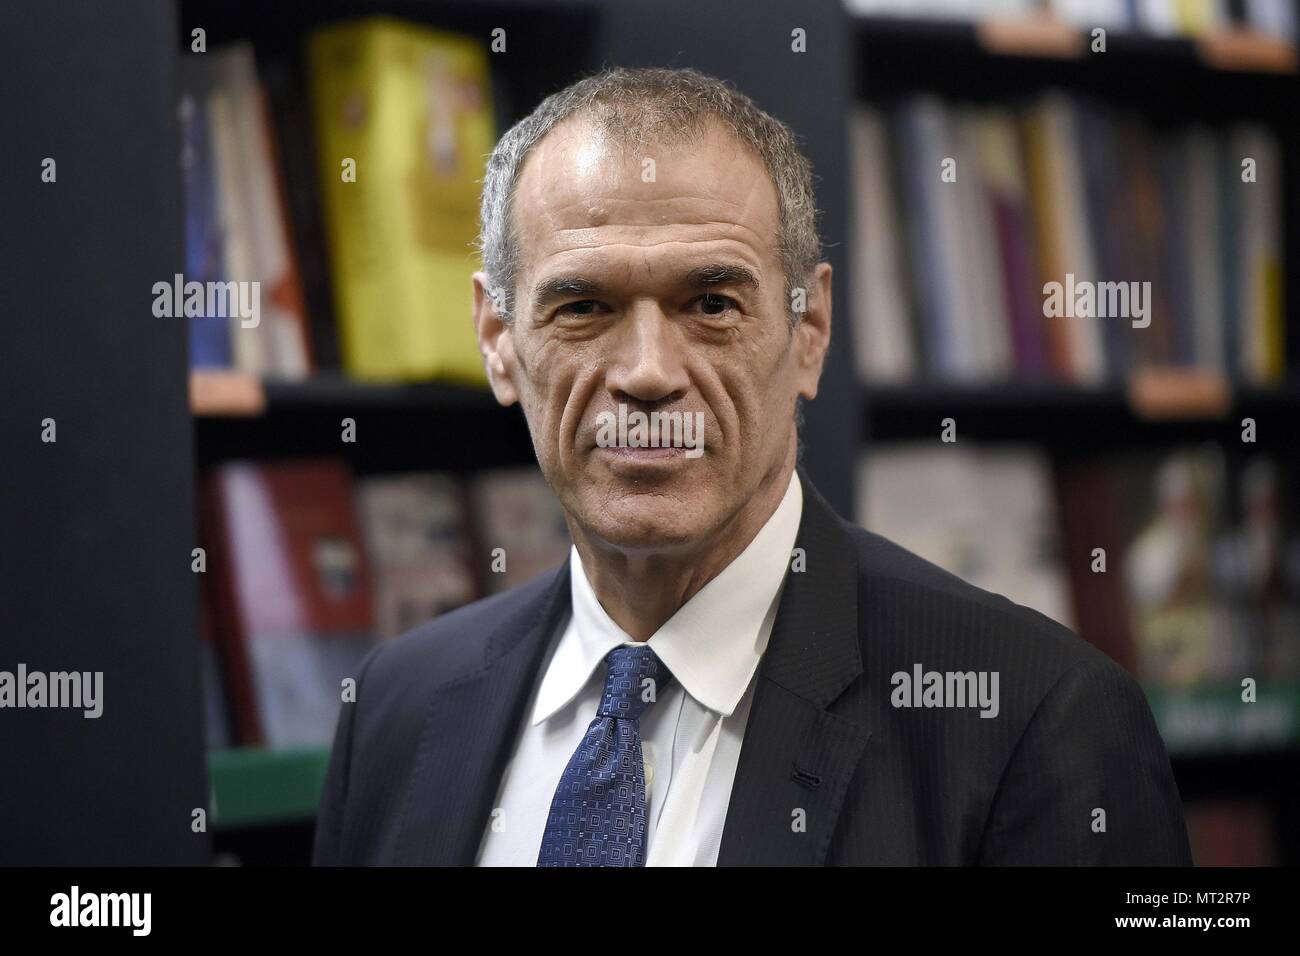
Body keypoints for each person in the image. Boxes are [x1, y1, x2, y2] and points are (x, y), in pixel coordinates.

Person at [313, 67, 1192, 866]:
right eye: (583, 306)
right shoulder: (398, 708)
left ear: (808, 333)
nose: (648, 372)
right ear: (499, 343)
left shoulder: (1035, 722)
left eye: (711, 302)